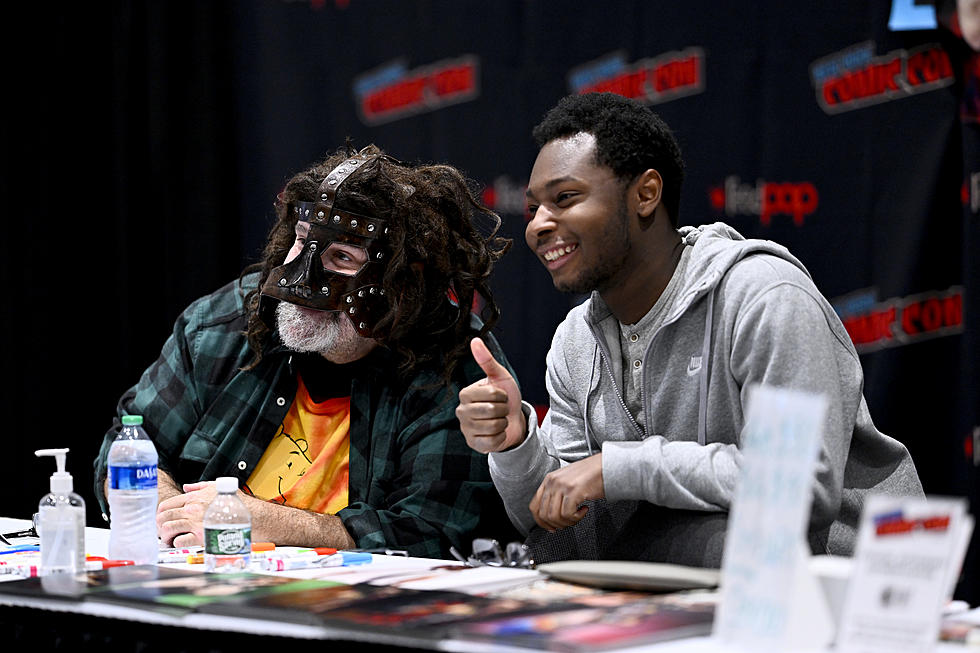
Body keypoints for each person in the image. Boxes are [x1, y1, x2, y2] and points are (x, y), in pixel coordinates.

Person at [455, 92, 924, 567]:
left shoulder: (764, 295)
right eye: (533, 207)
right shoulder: (576, 341)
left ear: (645, 194)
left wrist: (624, 467)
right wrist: (516, 445)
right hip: (700, 588)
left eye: (565, 198)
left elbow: (799, 489)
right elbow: (556, 522)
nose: (538, 224)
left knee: (712, 537)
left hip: (853, 586)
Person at [94, 144, 519, 559]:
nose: (301, 281)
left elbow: (431, 533)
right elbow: (130, 441)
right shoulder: (223, 324)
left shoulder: (451, 363)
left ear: (402, 284)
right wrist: (166, 510)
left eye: (342, 257)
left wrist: (266, 522)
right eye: (302, 242)